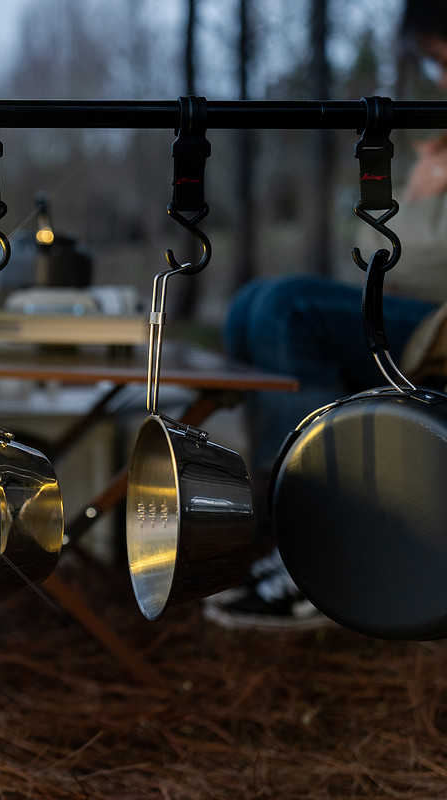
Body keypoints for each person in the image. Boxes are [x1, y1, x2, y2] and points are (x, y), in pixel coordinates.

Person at [204, 0, 447, 629]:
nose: (441, 81)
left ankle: (315, 534)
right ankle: (276, 509)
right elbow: (374, 248)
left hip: (437, 318)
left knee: (288, 310)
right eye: (434, 65)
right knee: (253, 302)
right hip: (408, 303)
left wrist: (419, 199)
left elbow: (411, 251)